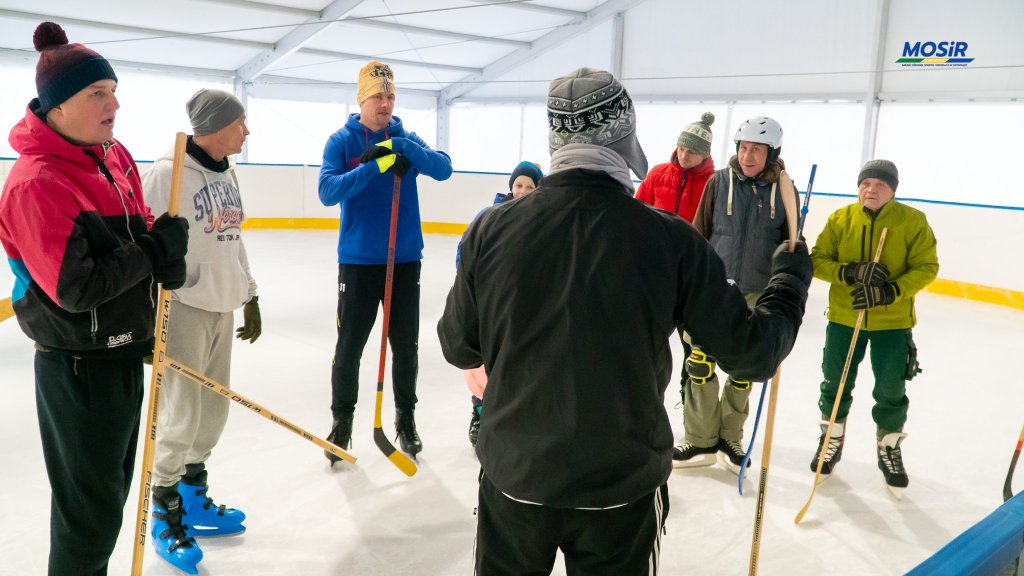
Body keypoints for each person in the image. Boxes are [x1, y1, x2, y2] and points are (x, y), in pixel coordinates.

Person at [437, 68, 812, 576]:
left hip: (516, 479)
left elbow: (459, 345)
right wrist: (788, 276)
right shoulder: (670, 240)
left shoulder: (492, 229)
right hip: (619, 487)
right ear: (624, 136)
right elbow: (754, 352)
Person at [0, 22, 188, 575]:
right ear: (57, 108)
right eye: (97, 94)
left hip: (120, 350)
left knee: (106, 504)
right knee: (89, 518)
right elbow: (75, 288)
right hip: (79, 367)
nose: (114, 103)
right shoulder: (37, 182)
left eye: (113, 90)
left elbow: (139, 231)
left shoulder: (112, 154)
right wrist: (153, 252)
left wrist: (162, 250)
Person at [141, 89, 261, 573]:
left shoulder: (226, 170)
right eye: (240, 123)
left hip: (221, 306)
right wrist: (147, 317)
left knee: (211, 412)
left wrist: (250, 292)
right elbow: (141, 243)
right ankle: (164, 510)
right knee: (180, 413)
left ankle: (192, 497)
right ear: (214, 125)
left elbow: (233, 239)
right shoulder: (167, 175)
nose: (246, 132)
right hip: (183, 308)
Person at [318, 61, 452, 462]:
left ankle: (405, 420)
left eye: (391, 96)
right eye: (378, 95)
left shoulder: (405, 136)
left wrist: (402, 148)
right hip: (359, 262)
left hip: (404, 258)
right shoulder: (341, 141)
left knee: (406, 347)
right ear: (362, 99)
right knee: (349, 348)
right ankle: (342, 424)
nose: (386, 103)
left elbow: (443, 168)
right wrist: (376, 165)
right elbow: (327, 191)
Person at [674, 116, 799, 474]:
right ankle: (700, 440)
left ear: (771, 153)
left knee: (743, 371)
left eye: (756, 150)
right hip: (715, 289)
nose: (748, 156)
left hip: (758, 293)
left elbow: (790, 246)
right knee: (699, 364)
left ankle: (730, 437)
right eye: (744, 148)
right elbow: (699, 234)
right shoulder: (719, 182)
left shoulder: (784, 191)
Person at [808, 159, 938, 492]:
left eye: (880, 184)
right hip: (844, 318)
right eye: (866, 183)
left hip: (892, 323)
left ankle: (889, 446)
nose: (871, 189)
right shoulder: (841, 219)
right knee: (835, 383)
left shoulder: (912, 221)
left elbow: (926, 267)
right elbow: (817, 260)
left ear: (893, 190)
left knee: (891, 389)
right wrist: (849, 272)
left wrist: (891, 291)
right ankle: (830, 439)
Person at [635, 112, 717, 411]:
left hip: (692, 277)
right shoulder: (657, 174)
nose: (684, 155)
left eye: (692, 151)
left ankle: (687, 396)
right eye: (682, 148)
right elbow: (635, 213)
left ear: (705, 153)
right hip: (655, 274)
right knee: (648, 340)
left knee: (692, 347)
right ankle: (645, 397)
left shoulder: (715, 182)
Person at [462, 161, 544, 447]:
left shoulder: (543, 219)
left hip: (524, 304)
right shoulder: (489, 216)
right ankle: (479, 412)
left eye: (530, 186)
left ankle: (515, 416)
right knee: (483, 362)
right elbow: (466, 254)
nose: (522, 191)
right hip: (491, 301)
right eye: (519, 185)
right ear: (511, 186)